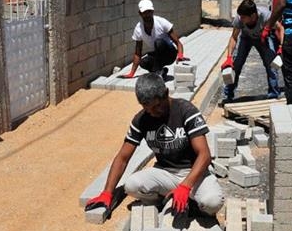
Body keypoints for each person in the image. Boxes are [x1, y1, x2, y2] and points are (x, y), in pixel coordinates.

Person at [84, 73, 224, 215]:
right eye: (147, 108)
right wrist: (107, 193)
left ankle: (190, 202)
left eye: (156, 106)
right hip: (165, 173)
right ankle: (164, 200)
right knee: (132, 185)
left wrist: (186, 186)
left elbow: (204, 155)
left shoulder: (186, 111)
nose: (152, 112)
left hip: (194, 173)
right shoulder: (141, 120)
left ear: (166, 94)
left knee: (212, 203)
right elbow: (122, 158)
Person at [221, 0, 284, 103]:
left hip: (263, 38)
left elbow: (280, 28)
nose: (241, 19)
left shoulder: (265, 16)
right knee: (236, 65)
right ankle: (228, 95)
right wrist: (229, 58)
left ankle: (273, 94)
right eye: (240, 16)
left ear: (253, 15)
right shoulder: (239, 18)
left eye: (244, 17)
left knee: (271, 65)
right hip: (246, 38)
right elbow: (234, 37)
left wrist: (281, 46)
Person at [122, 0, 188, 80]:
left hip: (170, 54)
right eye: (144, 13)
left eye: (149, 12)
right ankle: (161, 71)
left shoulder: (161, 22)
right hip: (157, 55)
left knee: (159, 43)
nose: (147, 15)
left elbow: (178, 42)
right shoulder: (138, 29)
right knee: (143, 62)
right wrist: (131, 73)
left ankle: (157, 72)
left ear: (153, 11)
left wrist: (180, 56)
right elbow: (137, 53)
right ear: (140, 13)